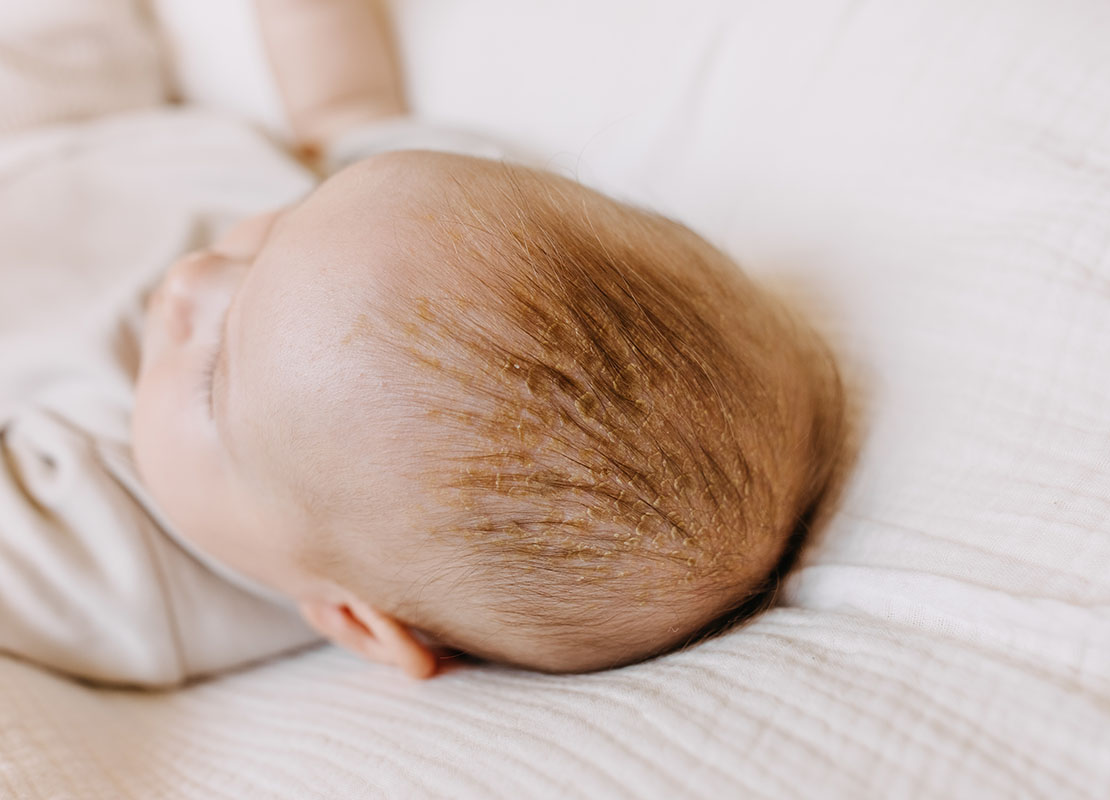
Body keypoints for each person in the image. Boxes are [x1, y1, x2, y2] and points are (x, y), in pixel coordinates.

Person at [0, 0, 845, 686]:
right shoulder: (425, 232)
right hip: (97, 109)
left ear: (359, 623)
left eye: (213, 379)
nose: (189, 279)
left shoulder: (122, 571)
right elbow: (347, 111)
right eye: (284, 227)